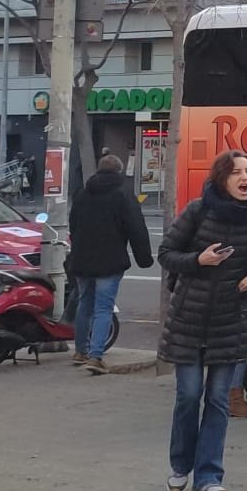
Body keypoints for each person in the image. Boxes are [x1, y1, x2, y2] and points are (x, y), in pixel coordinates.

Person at [157, 151, 247, 491]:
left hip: (232, 321)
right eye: (236, 172)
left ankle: (208, 476)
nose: (244, 178)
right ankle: (179, 466)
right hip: (189, 318)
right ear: (222, 178)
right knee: (188, 396)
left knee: (218, 399)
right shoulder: (199, 209)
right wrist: (198, 260)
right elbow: (167, 253)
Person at [68, 154, 151, 374]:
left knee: (84, 304)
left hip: (82, 260)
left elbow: (73, 225)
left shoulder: (83, 194)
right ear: (119, 171)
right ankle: (96, 357)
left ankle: (80, 351)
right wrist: (145, 258)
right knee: (103, 307)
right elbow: (136, 227)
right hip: (110, 261)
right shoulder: (123, 194)